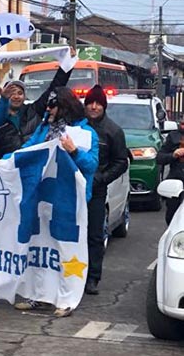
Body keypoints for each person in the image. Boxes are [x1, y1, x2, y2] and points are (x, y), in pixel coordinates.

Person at [0, 87, 99, 317]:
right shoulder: (44, 129)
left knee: (65, 251)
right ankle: (40, 296)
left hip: (68, 202)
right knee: (39, 250)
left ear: (64, 106)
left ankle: (66, 299)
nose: (48, 110)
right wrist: (3, 161)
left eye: (53, 106)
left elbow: (91, 165)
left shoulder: (84, 133)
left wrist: (74, 152)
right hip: (42, 200)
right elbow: (27, 151)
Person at [0, 48, 76, 166]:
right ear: (4, 95)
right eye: (12, 93)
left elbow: (55, 86)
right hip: (8, 169)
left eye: (20, 93)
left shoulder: (34, 111)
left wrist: (67, 64)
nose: (16, 97)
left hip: (33, 166)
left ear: (25, 96)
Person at [83, 85, 129, 295]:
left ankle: (93, 277)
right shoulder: (76, 126)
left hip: (96, 190)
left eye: (98, 103)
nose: (93, 107)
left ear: (104, 106)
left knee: (94, 234)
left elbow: (121, 162)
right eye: (90, 103)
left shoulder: (113, 131)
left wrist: (101, 179)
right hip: (73, 188)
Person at [156, 116, 184, 225]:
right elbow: (159, 158)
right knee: (172, 216)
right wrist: (173, 155)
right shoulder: (173, 136)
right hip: (176, 182)